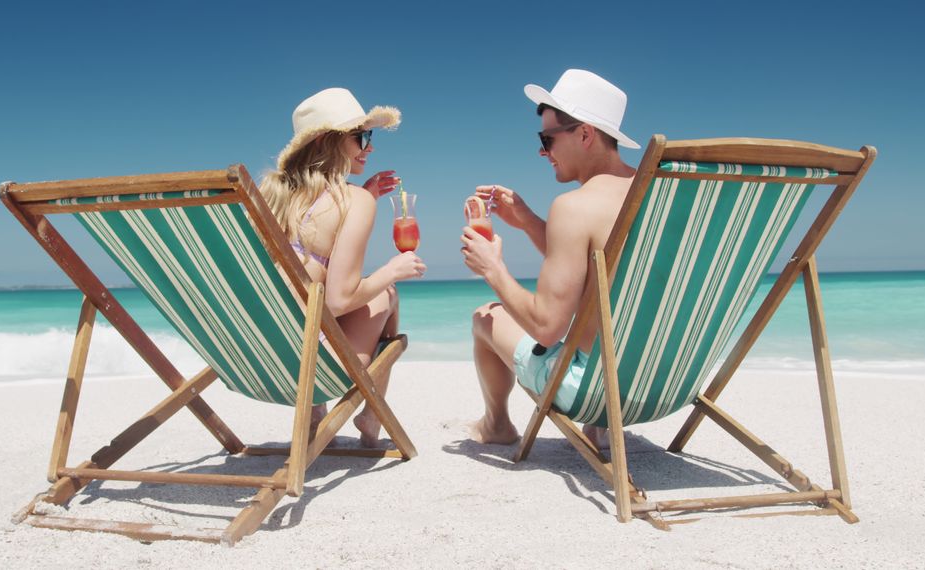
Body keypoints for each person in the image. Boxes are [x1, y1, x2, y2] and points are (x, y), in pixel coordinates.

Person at [460, 69, 640, 449]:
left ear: (585, 134)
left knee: (485, 316)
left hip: (596, 393)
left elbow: (546, 327)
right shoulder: (660, 193)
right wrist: (528, 221)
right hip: (668, 384)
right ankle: (599, 431)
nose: (543, 152)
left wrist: (493, 269)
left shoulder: (575, 207)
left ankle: (496, 425)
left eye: (547, 139)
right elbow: (601, 266)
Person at [260, 87, 427, 447]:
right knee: (386, 291)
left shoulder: (271, 197)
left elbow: (302, 275)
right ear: (326, 141)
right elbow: (337, 301)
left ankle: (316, 414)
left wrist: (359, 194)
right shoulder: (354, 200)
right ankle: (371, 413)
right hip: (315, 372)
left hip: (258, 361)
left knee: (305, 307)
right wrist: (392, 270)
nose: (370, 147)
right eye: (361, 136)